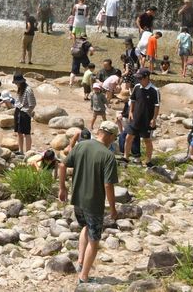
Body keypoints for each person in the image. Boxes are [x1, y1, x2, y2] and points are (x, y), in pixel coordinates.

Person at [57, 120, 119, 285]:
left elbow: (62, 165)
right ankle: (84, 277)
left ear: (99, 131)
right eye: (115, 138)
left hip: (77, 199)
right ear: (111, 136)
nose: (114, 141)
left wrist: (62, 188)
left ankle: (80, 263)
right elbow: (108, 185)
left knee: (85, 227)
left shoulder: (80, 146)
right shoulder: (108, 156)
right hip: (94, 203)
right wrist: (113, 208)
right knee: (94, 239)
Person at [123, 69, 159, 166]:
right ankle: (125, 158)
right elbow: (133, 100)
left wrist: (154, 119)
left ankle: (148, 161)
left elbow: (157, 105)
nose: (138, 80)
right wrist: (130, 112)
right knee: (128, 137)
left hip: (147, 120)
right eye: (137, 78)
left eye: (140, 78)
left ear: (147, 77)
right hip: (135, 118)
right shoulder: (137, 87)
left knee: (147, 140)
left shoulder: (154, 90)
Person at [13, 73, 36, 156]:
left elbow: (32, 104)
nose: (16, 84)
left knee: (26, 133)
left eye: (16, 83)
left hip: (24, 112)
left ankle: (28, 152)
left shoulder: (28, 89)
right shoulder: (20, 88)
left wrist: (27, 112)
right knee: (19, 132)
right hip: (18, 110)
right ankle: (21, 150)